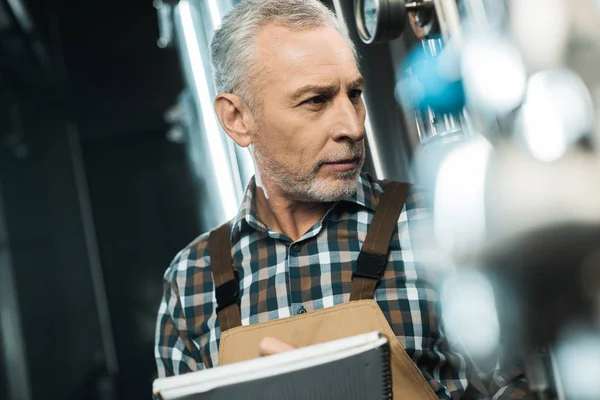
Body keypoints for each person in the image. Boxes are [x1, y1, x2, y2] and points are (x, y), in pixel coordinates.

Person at [154, 0, 529, 398]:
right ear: (237, 118)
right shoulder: (191, 280)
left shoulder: (441, 224)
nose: (352, 126)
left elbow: (530, 383)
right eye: (315, 100)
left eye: (354, 93)